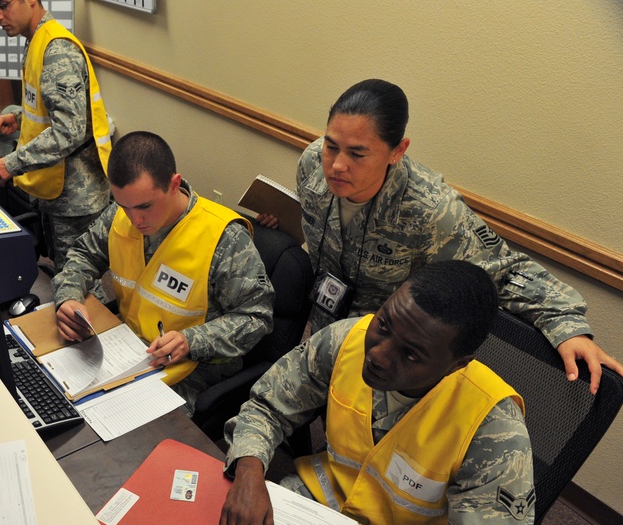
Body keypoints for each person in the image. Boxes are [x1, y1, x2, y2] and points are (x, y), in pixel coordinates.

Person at [220, 260, 533, 525]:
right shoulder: (348, 339)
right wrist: (248, 469)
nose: (380, 355)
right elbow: (268, 406)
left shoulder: (494, 431)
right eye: (384, 325)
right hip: (312, 512)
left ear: (457, 364)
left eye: (411, 354)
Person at [264, 78, 621, 395]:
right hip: (322, 332)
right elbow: (322, 232)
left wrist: (569, 327)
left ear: (397, 151)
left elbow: (506, 271)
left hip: (386, 357)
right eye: (332, 146)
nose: (338, 165)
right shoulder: (313, 162)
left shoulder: (431, 211)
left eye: (357, 153)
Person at [52, 131, 274, 412]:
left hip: (196, 365)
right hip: (128, 347)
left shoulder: (223, 238)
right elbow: (84, 254)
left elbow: (257, 316)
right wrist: (69, 296)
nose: (135, 219)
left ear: (174, 184)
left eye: (145, 206)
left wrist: (191, 341)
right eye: (124, 206)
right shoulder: (121, 215)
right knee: (62, 395)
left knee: (121, 429)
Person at [0, 0, 112, 274]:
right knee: (63, 269)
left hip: (77, 195)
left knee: (79, 282)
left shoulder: (58, 50)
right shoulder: (36, 40)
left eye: (3, 5)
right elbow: (48, 108)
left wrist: (13, 162)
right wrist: (19, 118)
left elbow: (69, 130)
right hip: (55, 187)